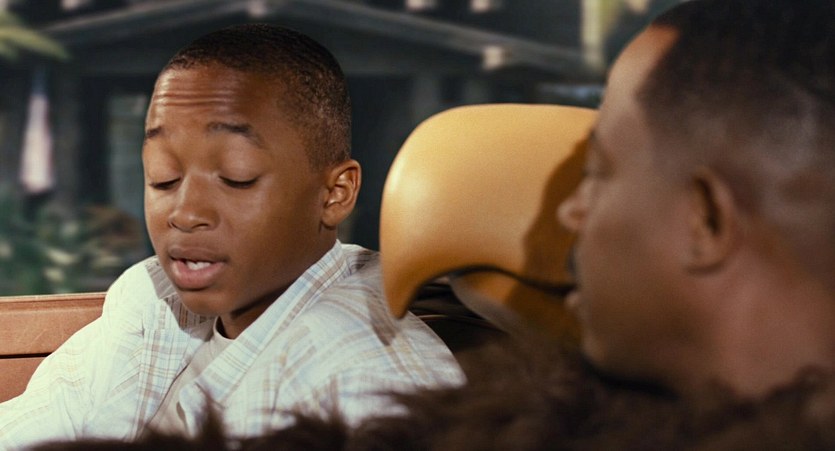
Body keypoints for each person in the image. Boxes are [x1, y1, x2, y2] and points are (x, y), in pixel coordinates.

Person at [0, 23, 462, 449]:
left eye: (236, 178)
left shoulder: (367, 386)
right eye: (163, 177)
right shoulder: (151, 298)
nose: (185, 213)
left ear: (334, 194)